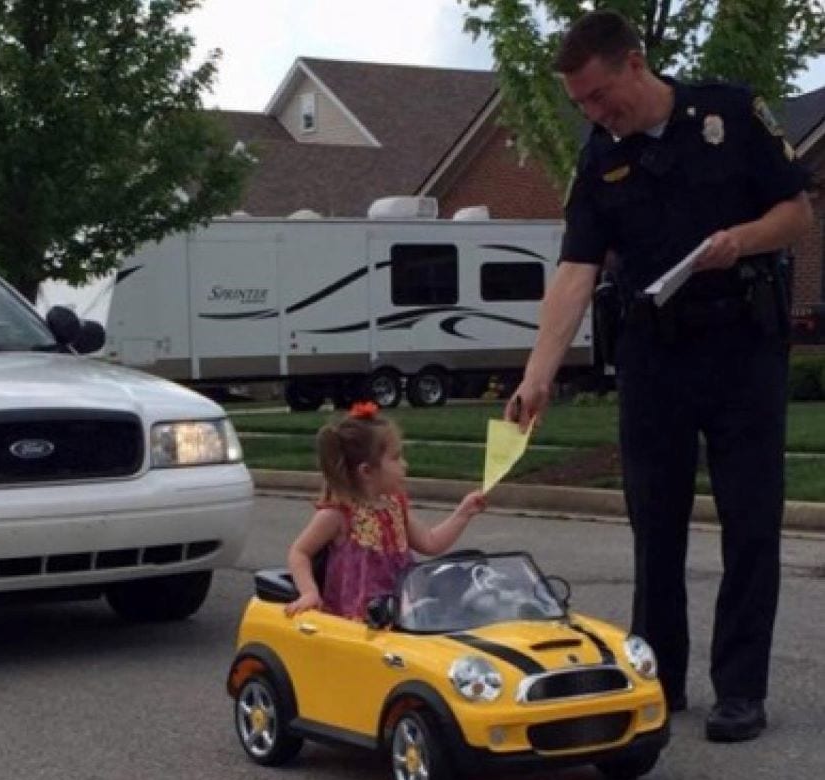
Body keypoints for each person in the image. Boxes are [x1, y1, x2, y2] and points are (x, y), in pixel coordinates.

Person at [506, 10, 812, 743]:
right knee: (655, 526)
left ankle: (739, 691)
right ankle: (660, 677)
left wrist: (741, 241)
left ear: (635, 65)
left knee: (749, 524)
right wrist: (537, 374)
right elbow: (575, 271)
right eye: (579, 104)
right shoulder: (599, 158)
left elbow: (796, 211)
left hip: (741, 348)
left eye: (598, 96)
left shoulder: (730, 114)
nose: (592, 112)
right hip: (653, 357)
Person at [284, 401, 487, 620]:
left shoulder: (395, 506)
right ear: (367, 471)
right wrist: (309, 592)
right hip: (357, 622)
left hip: (403, 615)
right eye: (396, 457)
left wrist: (463, 513)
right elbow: (300, 552)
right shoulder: (338, 514)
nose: (405, 464)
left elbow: (430, 542)